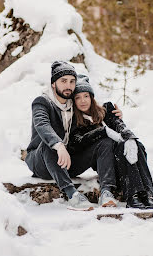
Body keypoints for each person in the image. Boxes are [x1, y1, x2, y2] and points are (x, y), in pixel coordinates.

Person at [24, 61, 122, 210]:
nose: (68, 85)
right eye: (63, 81)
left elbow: (93, 112)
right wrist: (58, 145)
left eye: (72, 81)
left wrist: (114, 116)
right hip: (42, 161)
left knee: (105, 142)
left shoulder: (73, 103)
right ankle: (72, 195)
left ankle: (107, 191)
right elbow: (42, 124)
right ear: (53, 84)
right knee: (48, 145)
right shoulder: (42, 102)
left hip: (68, 161)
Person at [67, 74, 153, 209]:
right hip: (108, 167)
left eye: (86, 96)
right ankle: (133, 195)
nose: (83, 101)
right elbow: (78, 142)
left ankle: (148, 194)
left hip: (125, 160)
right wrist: (104, 131)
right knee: (114, 145)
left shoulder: (106, 110)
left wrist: (130, 138)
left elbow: (120, 125)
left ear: (91, 97)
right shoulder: (75, 120)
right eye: (78, 97)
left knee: (136, 145)